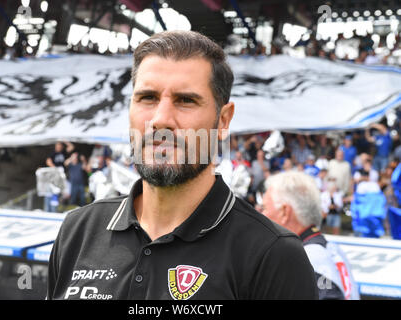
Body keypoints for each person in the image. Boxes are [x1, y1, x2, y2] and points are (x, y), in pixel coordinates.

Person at [47, 30, 318, 300]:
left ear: (223, 121)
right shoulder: (78, 230)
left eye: (186, 100)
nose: (161, 119)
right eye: (148, 98)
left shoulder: (273, 255)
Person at [262, 171, 360, 300]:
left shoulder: (308, 260)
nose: (261, 215)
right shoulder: (328, 249)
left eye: (264, 208)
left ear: (285, 212)